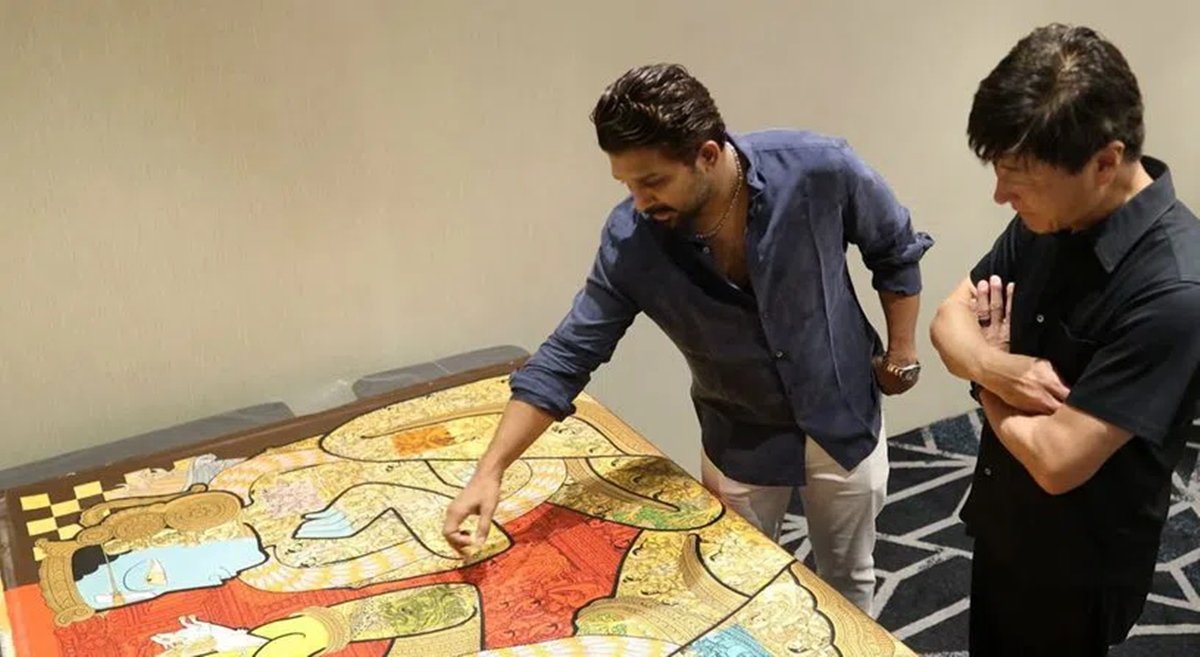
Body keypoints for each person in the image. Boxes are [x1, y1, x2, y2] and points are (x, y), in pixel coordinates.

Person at [444, 63, 933, 615]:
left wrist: (903, 353)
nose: (639, 200)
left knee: (848, 578)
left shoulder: (819, 169)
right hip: (739, 435)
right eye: (627, 184)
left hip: (844, 414)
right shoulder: (632, 241)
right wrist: (490, 472)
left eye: (652, 181)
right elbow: (567, 355)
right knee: (739, 591)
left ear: (707, 154)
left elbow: (895, 250)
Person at [929, 23, 1200, 656]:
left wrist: (982, 370)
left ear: (1105, 162)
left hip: (1078, 564)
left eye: (1019, 176)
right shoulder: (1047, 218)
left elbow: (1056, 462)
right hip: (1004, 513)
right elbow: (947, 319)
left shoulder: (1175, 291)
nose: (1001, 195)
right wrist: (999, 370)